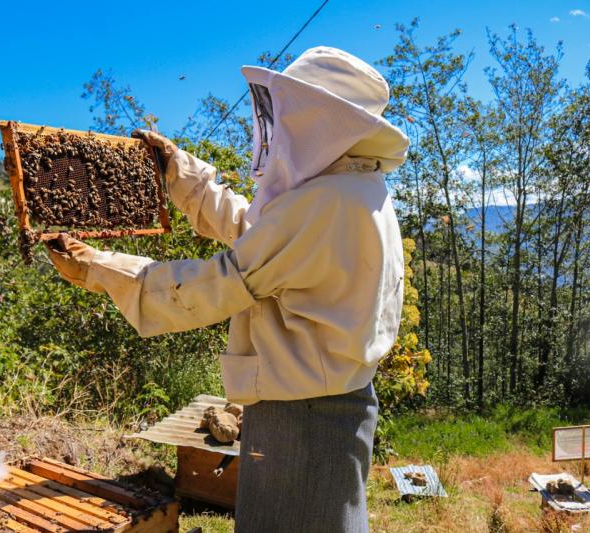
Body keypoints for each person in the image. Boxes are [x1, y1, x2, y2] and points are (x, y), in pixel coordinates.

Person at [45, 46, 408, 533]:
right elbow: (258, 233)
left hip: (304, 417)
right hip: (323, 406)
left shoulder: (327, 203)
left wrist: (99, 269)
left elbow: (220, 283)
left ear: (318, 121)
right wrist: (182, 174)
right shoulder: (354, 190)